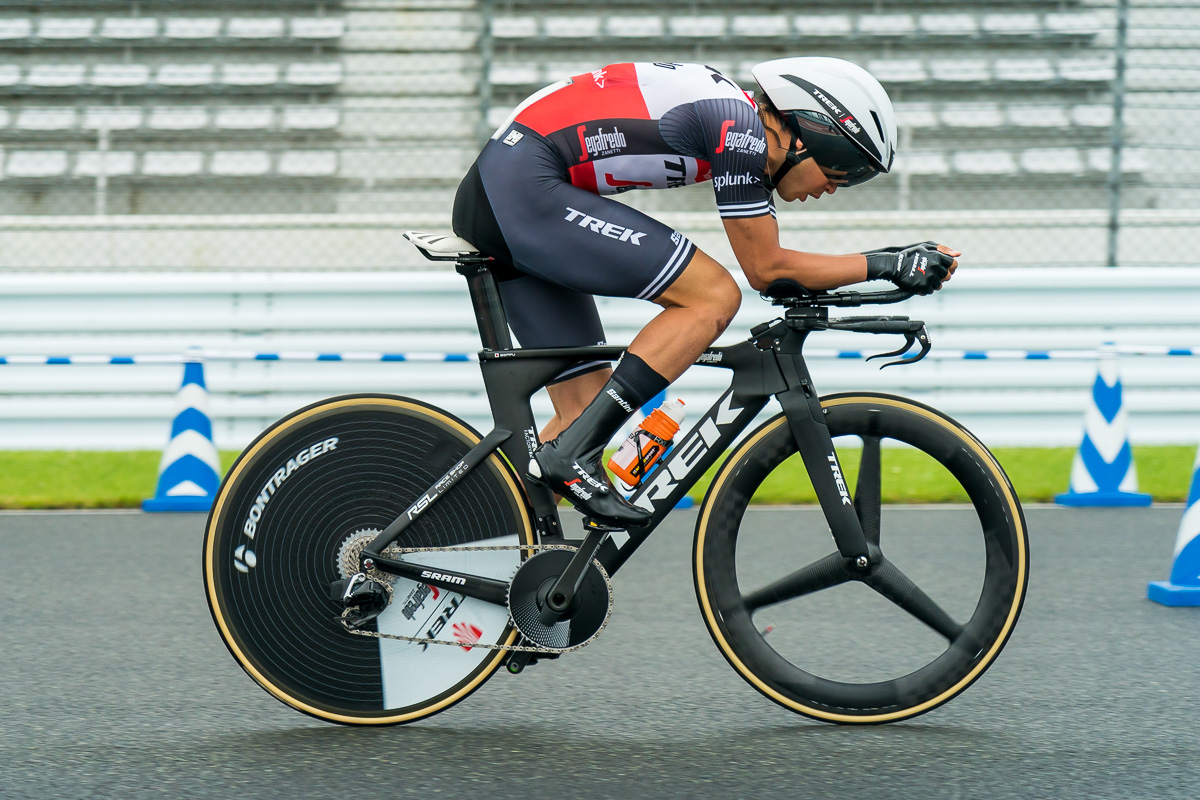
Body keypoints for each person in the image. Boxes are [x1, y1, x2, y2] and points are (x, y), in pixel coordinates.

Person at [452, 57, 959, 527]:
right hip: (521, 189)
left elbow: (777, 270)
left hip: (514, 189)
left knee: (581, 412)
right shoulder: (738, 129)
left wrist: (887, 261)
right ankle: (569, 456)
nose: (833, 188)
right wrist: (887, 262)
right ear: (807, 135)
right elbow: (765, 268)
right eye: (840, 171)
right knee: (713, 296)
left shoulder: (743, 132)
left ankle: (467, 549)